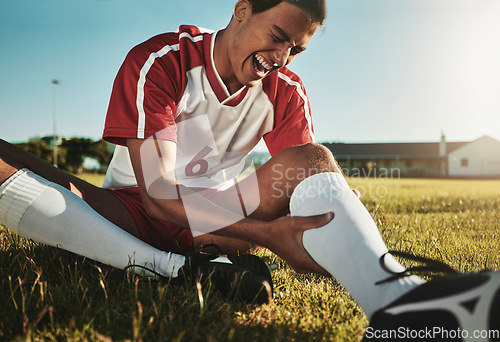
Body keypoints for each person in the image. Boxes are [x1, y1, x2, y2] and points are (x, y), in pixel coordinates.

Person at [0, 0, 498, 339]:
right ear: (242, 10)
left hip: (215, 221)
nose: (281, 58)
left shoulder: (285, 91)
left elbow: (306, 184)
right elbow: (156, 196)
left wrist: (325, 236)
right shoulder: (161, 61)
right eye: (278, 36)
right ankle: (170, 272)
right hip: (125, 214)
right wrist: (265, 235)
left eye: (296, 49)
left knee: (312, 160)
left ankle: (398, 305)